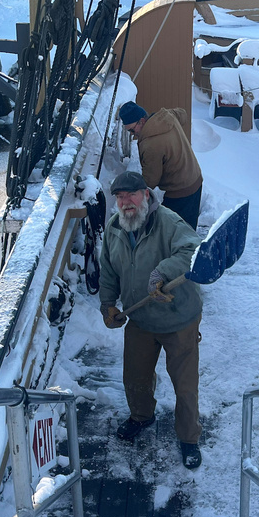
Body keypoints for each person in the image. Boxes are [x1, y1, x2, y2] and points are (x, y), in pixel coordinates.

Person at [99, 170, 205, 469]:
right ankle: (141, 417)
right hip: (140, 317)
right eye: (119, 197)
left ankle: (188, 437)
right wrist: (107, 303)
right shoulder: (115, 228)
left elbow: (194, 250)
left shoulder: (168, 222)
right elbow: (108, 268)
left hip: (178, 318)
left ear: (146, 194)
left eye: (131, 195)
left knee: (184, 385)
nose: (125, 202)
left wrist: (163, 272)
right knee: (136, 377)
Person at [119, 101, 204, 230]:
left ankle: (185, 249)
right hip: (195, 178)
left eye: (132, 129)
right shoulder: (168, 116)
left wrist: (132, 189)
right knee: (188, 226)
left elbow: (150, 180)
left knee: (172, 229)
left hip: (180, 191)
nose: (132, 134)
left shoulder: (150, 145)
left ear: (142, 121)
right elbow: (183, 114)